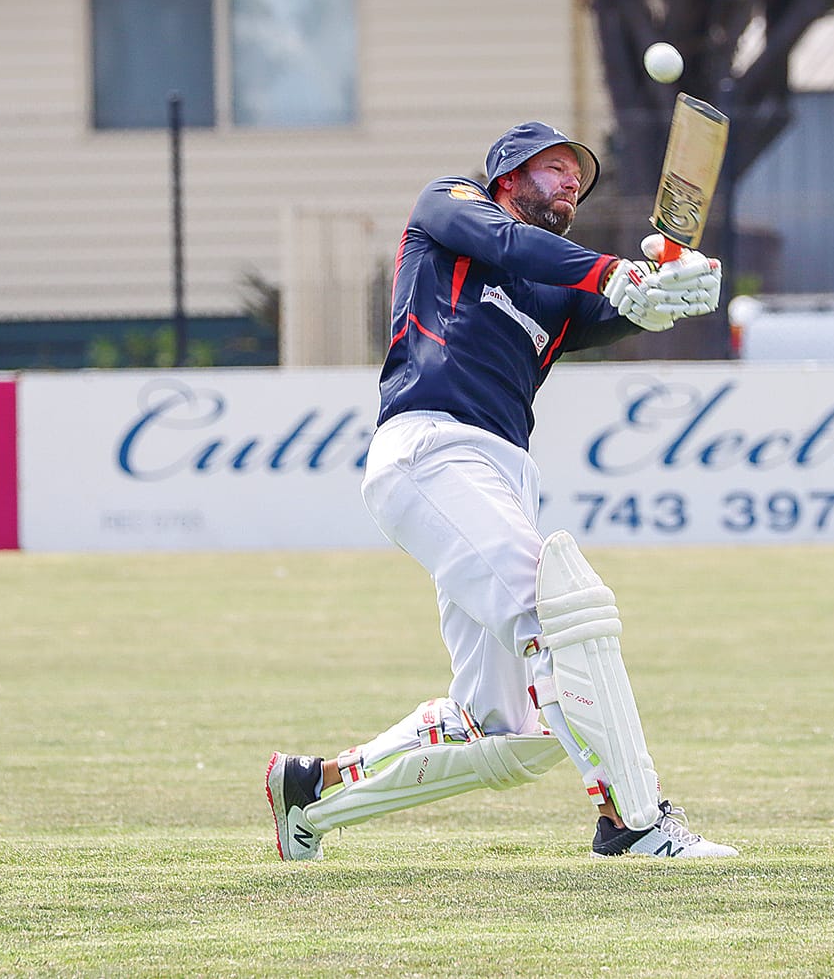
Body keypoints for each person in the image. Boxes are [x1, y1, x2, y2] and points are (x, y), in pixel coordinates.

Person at [266, 121, 735, 861]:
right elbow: (524, 248)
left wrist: (671, 287)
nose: (571, 182)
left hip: (501, 474)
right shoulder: (449, 207)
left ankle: (311, 794)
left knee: (510, 735)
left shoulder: (557, 284)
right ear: (507, 178)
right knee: (565, 617)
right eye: (554, 168)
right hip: (432, 448)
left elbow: (620, 305)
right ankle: (633, 821)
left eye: (577, 175)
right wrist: (614, 270)